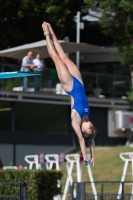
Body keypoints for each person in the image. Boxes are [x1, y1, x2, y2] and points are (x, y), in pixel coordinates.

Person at [42, 22, 96, 166]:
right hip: (79, 81)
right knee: (65, 57)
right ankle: (52, 30)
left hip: (70, 86)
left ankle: (46, 35)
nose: (91, 125)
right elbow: (91, 141)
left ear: (83, 129)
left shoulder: (76, 121)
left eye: (90, 127)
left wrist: (85, 158)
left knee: (57, 59)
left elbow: (82, 140)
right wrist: (93, 156)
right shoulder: (87, 117)